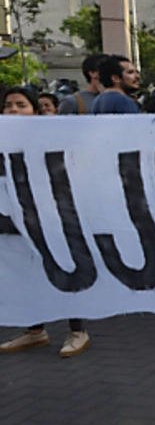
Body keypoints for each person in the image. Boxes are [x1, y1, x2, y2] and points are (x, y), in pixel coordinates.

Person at [0, 88, 92, 357]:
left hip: (51, 215)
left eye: (21, 105)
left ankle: (78, 331)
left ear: (35, 111)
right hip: (15, 219)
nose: (13, 110)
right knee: (26, 272)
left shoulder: (51, 138)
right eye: (8, 105)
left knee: (63, 269)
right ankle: (35, 330)